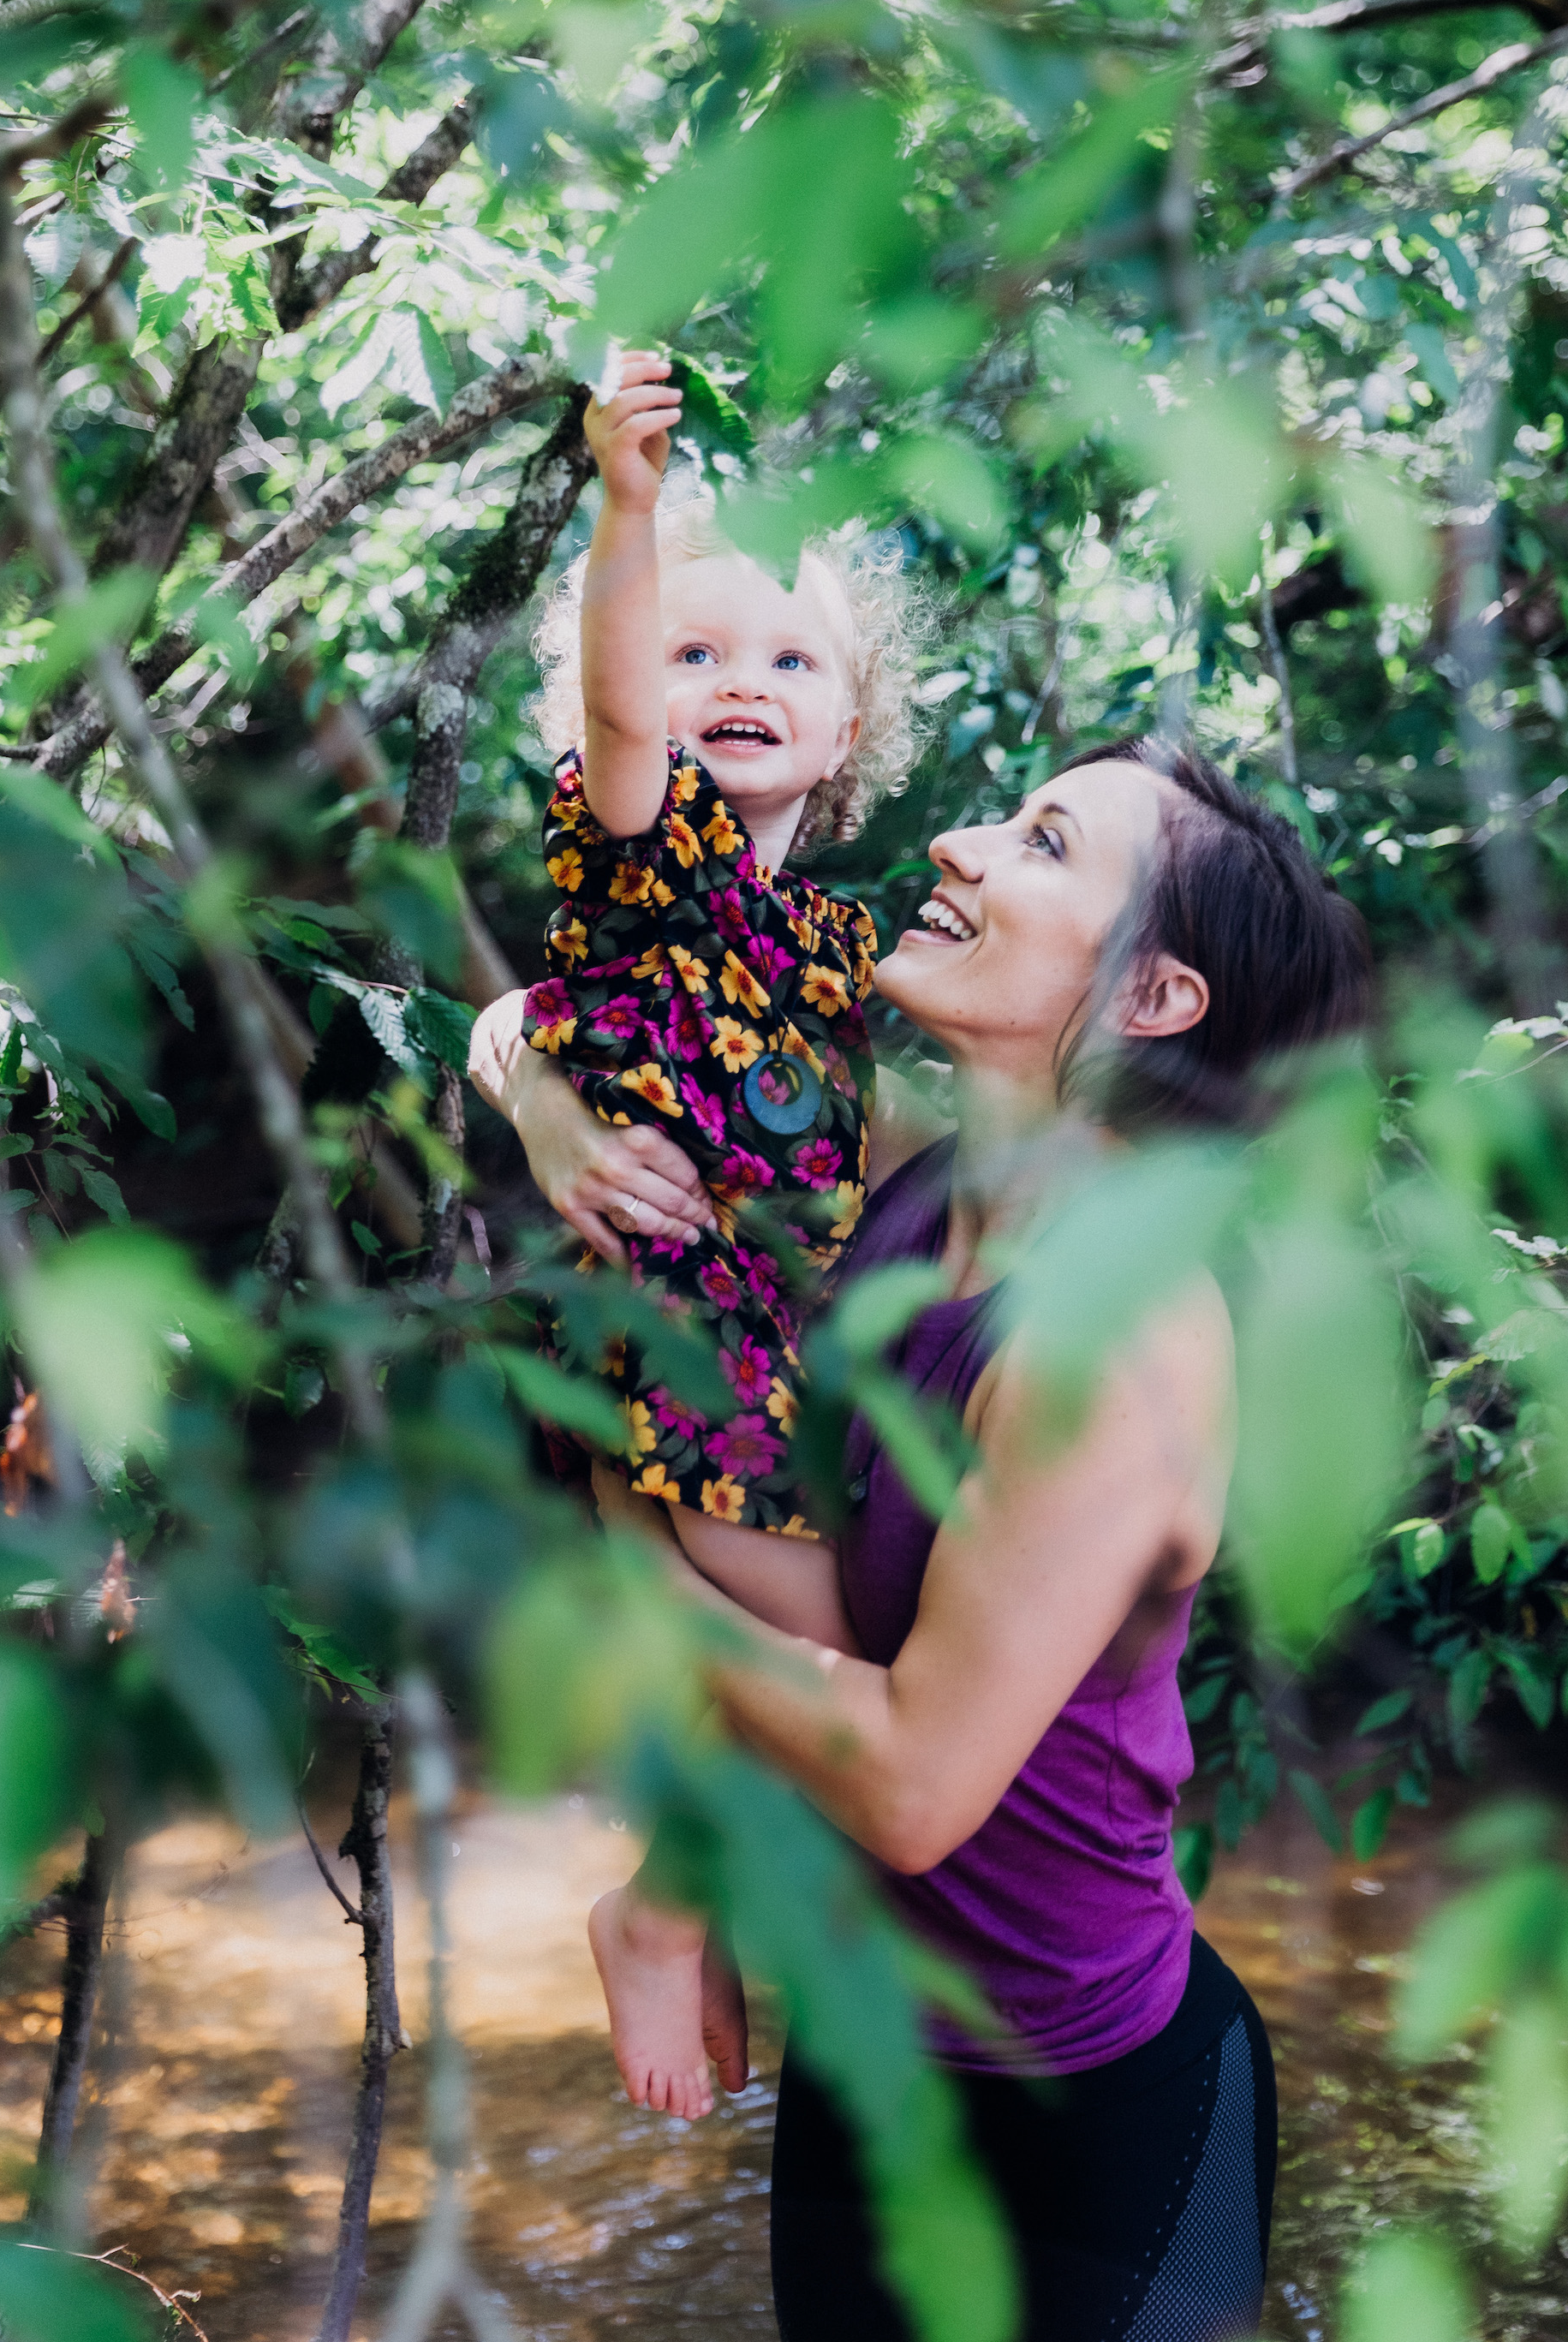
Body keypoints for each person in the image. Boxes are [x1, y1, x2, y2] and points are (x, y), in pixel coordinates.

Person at [473, 733, 1371, 2342]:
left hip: (1101, 2117)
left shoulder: (1128, 1336)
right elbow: (587, 1031)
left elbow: (908, 1787)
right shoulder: (897, 1162)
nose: (954, 846)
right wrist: (553, 1119)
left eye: (1037, 842)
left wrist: (628, 1564)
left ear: (1155, 997)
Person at [509, 350, 931, 2124]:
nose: (736, 683)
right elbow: (619, 727)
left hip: (781, 1383)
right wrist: (625, 512)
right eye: (696, 654)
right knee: (866, 1652)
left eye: (787, 660)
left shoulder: (839, 949)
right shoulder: (647, 859)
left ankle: (717, 1905)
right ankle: (663, 1912)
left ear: (850, 735)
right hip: (680, 1381)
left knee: (828, 1661)